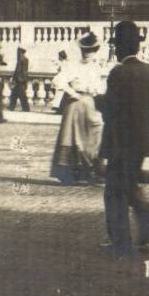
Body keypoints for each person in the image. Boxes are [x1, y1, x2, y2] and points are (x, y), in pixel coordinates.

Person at [99, 19, 149, 256]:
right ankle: (146, 215)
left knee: (114, 192)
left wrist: (96, 100)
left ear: (120, 48)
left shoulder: (118, 73)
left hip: (120, 142)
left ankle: (121, 242)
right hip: (142, 141)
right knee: (129, 184)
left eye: (116, 46)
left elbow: (112, 107)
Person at [51, 31, 106, 184]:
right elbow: (57, 80)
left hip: (91, 104)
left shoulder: (96, 67)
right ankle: (70, 174)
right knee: (72, 138)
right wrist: (72, 92)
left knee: (94, 135)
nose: (87, 53)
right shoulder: (73, 66)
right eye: (85, 50)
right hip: (75, 105)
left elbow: (99, 87)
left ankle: (91, 171)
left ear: (95, 51)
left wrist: (96, 91)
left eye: (90, 50)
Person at [8, 45, 31, 112]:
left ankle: (25, 108)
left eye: (18, 51)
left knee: (21, 94)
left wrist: (13, 78)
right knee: (15, 93)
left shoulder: (20, 59)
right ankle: (11, 107)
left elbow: (18, 70)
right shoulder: (26, 59)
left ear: (20, 51)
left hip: (19, 79)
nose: (17, 52)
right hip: (23, 78)